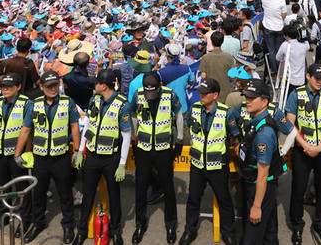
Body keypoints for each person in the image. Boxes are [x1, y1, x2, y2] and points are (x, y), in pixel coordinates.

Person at [21, 71, 79, 244]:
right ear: (41, 87)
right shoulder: (34, 104)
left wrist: (77, 150)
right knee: (38, 193)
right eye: (49, 86)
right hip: (40, 158)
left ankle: (68, 224)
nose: (53, 89)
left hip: (60, 156)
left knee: (65, 192)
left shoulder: (68, 102)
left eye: (55, 85)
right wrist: (20, 154)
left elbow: (74, 126)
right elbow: (26, 130)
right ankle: (38, 222)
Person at [74, 69, 130, 245]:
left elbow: (126, 136)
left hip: (111, 158)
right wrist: (81, 151)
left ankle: (115, 231)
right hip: (92, 156)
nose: (93, 87)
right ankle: (82, 231)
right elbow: (89, 126)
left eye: (95, 83)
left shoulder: (122, 105)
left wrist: (122, 164)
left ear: (103, 85)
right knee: (88, 194)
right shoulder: (94, 100)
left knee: (114, 195)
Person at [284, 63, 321, 245]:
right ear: (308, 77)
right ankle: (297, 226)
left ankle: (319, 223)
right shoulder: (295, 95)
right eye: (317, 78)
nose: (320, 82)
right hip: (302, 150)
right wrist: (306, 145)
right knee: (298, 188)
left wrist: (319, 147)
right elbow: (290, 125)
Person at [180, 78, 237, 245]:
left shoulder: (226, 113)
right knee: (194, 198)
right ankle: (190, 230)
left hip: (218, 166)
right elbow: (188, 125)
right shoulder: (194, 108)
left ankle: (228, 232)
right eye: (200, 92)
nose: (201, 95)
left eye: (205, 93)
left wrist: (225, 148)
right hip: (197, 165)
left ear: (215, 95)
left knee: (224, 199)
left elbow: (233, 133)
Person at [129, 71, 182, 245]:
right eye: (147, 91)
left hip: (163, 148)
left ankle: (171, 225)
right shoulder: (138, 94)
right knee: (141, 187)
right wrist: (133, 139)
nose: (149, 95)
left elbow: (179, 114)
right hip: (143, 147)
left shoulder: (170, 95)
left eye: (153, 91)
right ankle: (140, 223)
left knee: (168, 187)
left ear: (159, 86)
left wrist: (179, 139)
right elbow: (134, 115)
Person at [0, 72, 33, 236]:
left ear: (18, 87)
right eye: (3, 86)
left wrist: (19, 154)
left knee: (21, 187)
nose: (5, 90)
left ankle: (26, 218)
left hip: (15, 155)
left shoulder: (26, 103)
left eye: (9, 87)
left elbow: (26, 130)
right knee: (3, 186)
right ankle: (2, 215)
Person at [240, 80, 283, 245]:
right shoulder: (256, 121)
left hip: (260, 187)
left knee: (252, 236)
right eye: (247, 97)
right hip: (261, 184)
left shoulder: (264, 133)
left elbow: (263, 174)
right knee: (269, 232)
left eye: (252, 98)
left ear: (265, 102)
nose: (247, 101)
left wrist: (257, 206)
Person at [260, 0, 288, 73]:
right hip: (279, 27)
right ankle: (279, 70)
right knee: (279, 50)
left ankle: (274, 71)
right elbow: (284, 15)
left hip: (268, 28)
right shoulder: (281, 0)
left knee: (271, 51)